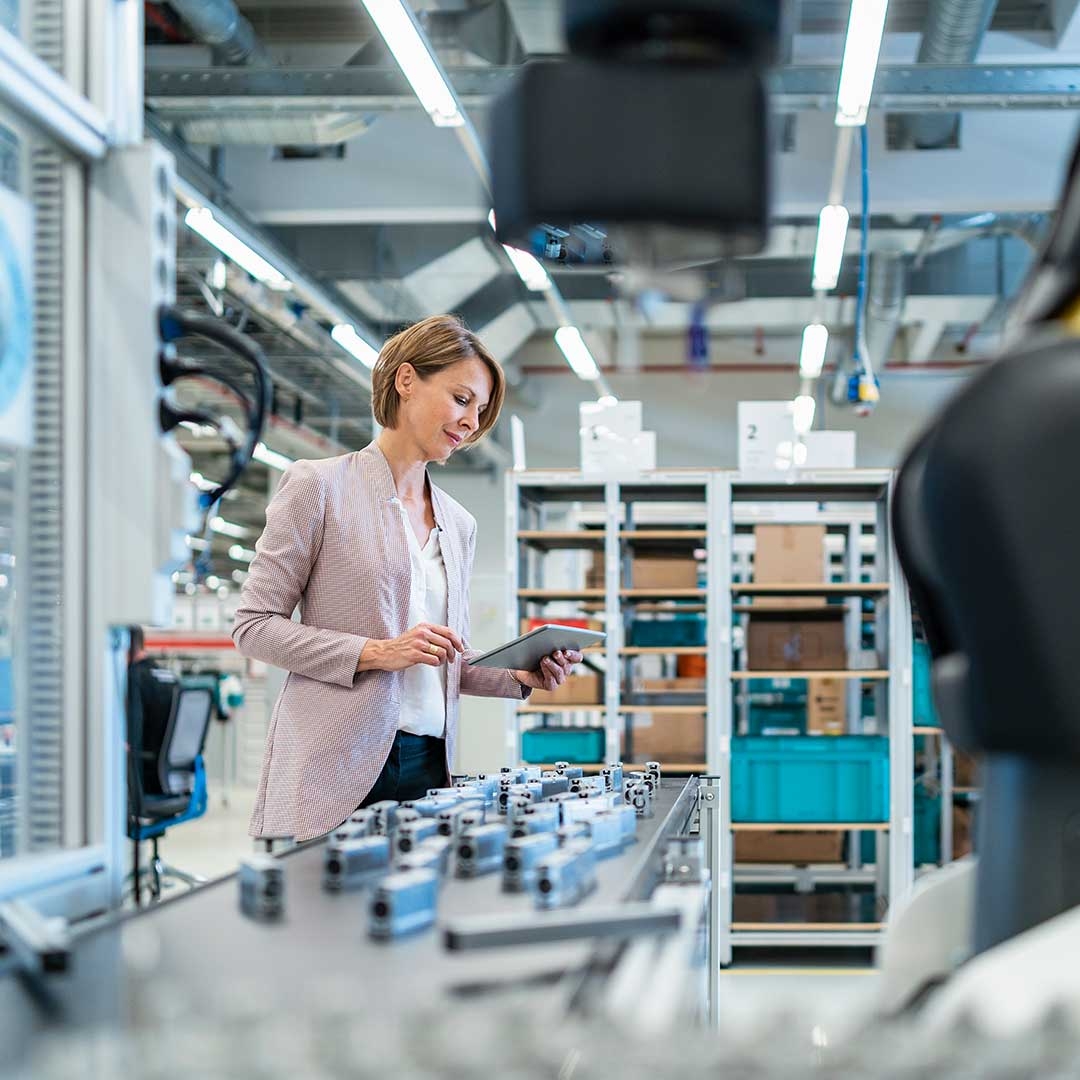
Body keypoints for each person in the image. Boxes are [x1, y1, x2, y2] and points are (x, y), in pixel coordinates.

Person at [233, 315, 581, 842]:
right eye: (462, 399)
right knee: (326, 920)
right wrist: (375, 652)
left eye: (481, 411)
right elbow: (253, 625)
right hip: (334, 761)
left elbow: (439, 661)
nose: (470, 422)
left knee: (417, 919)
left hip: (428, 763)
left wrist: (518, 677)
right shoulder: (319, 487)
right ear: (406, 380)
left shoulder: (458, 524)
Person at [125, 625, 179, 798]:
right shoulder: (171, 677)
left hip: (144, 776)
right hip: (173, 775)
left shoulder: (133, 677)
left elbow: (133, 735)